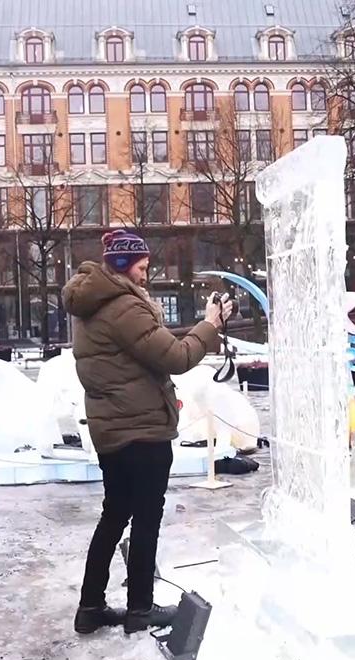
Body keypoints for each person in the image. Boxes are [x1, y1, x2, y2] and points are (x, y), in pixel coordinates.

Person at [64, 230, 233, 635]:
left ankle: (90, 607)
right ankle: (139, 609)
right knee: (145, 519)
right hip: (140, 428)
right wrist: (209, 325)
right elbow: (177, 356)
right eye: (141, 266)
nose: (146, 273)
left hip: (114, 427)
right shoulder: (124, 307)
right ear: (122, 267)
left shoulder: (96, 303)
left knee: (115, 515)